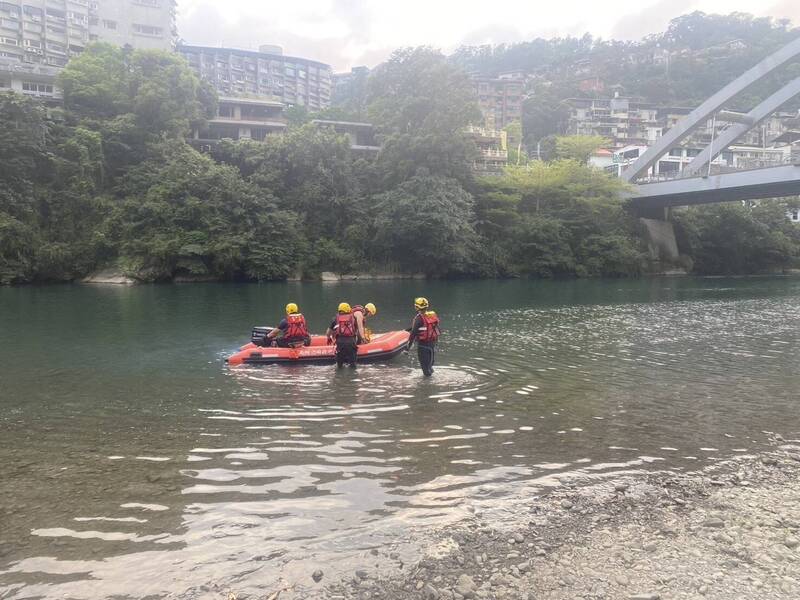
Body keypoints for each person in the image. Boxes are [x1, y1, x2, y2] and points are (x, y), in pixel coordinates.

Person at [407, 297, 440, 377]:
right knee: (429, 366)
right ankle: (431, 384)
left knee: (425, 371)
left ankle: (427, 387)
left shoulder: (419, 318)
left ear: (417, 308)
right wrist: (406, 329)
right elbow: (430, 328)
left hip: (423, 346)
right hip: (432, 345)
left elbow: (413, 334)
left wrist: (407, 348)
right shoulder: (431, 315)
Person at [326, 302, 359, 368]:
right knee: (353, 365)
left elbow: (328, 332)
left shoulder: (335, 318)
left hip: (340, 343)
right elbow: (356, 331)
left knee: (339, 365)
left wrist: (329, 338)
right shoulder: (353, 318)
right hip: (351, 342)